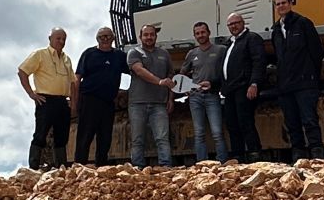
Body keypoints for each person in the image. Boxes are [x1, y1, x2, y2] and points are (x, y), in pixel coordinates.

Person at [271, 0, 324, 159]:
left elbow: (316, 51)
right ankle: (298, 156)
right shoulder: (276, 30)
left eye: (283, 3)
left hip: (305, 84)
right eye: (278, 4)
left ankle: (317, 155)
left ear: (290, 4)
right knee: (292, 123)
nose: (281, 6)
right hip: (286, 86)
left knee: (309, 120)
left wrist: (311, 76)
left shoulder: (303, 24)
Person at [18, 27, 74, 169]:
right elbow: (22, 71)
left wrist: (72, 101)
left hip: (62, 101)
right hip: (45, 100)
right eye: (58, 38)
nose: (61, 41)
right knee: (41, 134)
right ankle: (34, 167)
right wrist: (31, 93)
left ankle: (61, 168)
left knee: (62, 136)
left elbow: (73, 81)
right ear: (50, 39)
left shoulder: (67, 59)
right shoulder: (40, 54)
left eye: (63, 39)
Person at [72, 26, 128, 166]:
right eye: (102, 37)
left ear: (113, 38)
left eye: (108, 36)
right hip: (89, 99)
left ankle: (101, 166)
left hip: (108, 101)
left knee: (105, 136)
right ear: (97, 39)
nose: (105, 39)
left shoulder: (119, 56)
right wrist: (74, 101)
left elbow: (134, 70)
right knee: (85, 134)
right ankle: (79, 165)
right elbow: (77, 78)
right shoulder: (89, 54)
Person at [220, 11, 265, 163]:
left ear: (243, 23)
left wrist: (254, 83)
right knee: (232, 123)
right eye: (230, 24)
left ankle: (254, 153)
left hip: (244, 87)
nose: (234, 26)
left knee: (245, 121)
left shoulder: (251, 39)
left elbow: (258, 62)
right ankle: (237, 155)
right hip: (230, 90)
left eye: (236, 23)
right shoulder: (229, 43)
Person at [127, 23, 174, 168]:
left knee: (162, 138)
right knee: (137, 139)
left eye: (151, 34)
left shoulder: (164, 54)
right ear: (140, 37)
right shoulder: (134, 53)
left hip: (159, 103)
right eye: (146, 35)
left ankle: (165, 167)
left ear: (156, 36)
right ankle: (138, 168)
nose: (149, 37)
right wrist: (159, 82)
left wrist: (170, 98)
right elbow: (139, 71)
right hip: (138, 103)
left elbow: (171, 77)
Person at [181, 21, 227, 163]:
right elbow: (182, 74)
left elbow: (227, 71)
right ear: (195, 36)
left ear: (209, 32)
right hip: (195, 98)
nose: (201, 35)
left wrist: (214, 84)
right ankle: (202, 162)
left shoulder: (220, 50)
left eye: (203, 32)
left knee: (217, 132)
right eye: (198, 33)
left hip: (213, 95)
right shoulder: (192, 53)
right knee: (199, 133)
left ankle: (222, 162)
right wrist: (187, 88)